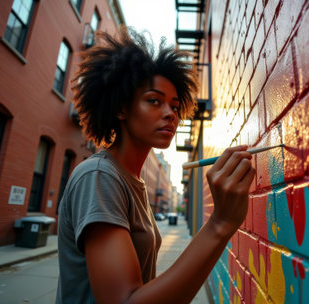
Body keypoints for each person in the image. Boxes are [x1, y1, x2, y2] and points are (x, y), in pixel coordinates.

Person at [56, 27, 256, 304]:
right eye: (154, 101)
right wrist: (220, 223)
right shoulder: (99, 176)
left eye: (175, 106)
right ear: (121, 108)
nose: (170, 114)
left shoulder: (130, 180)